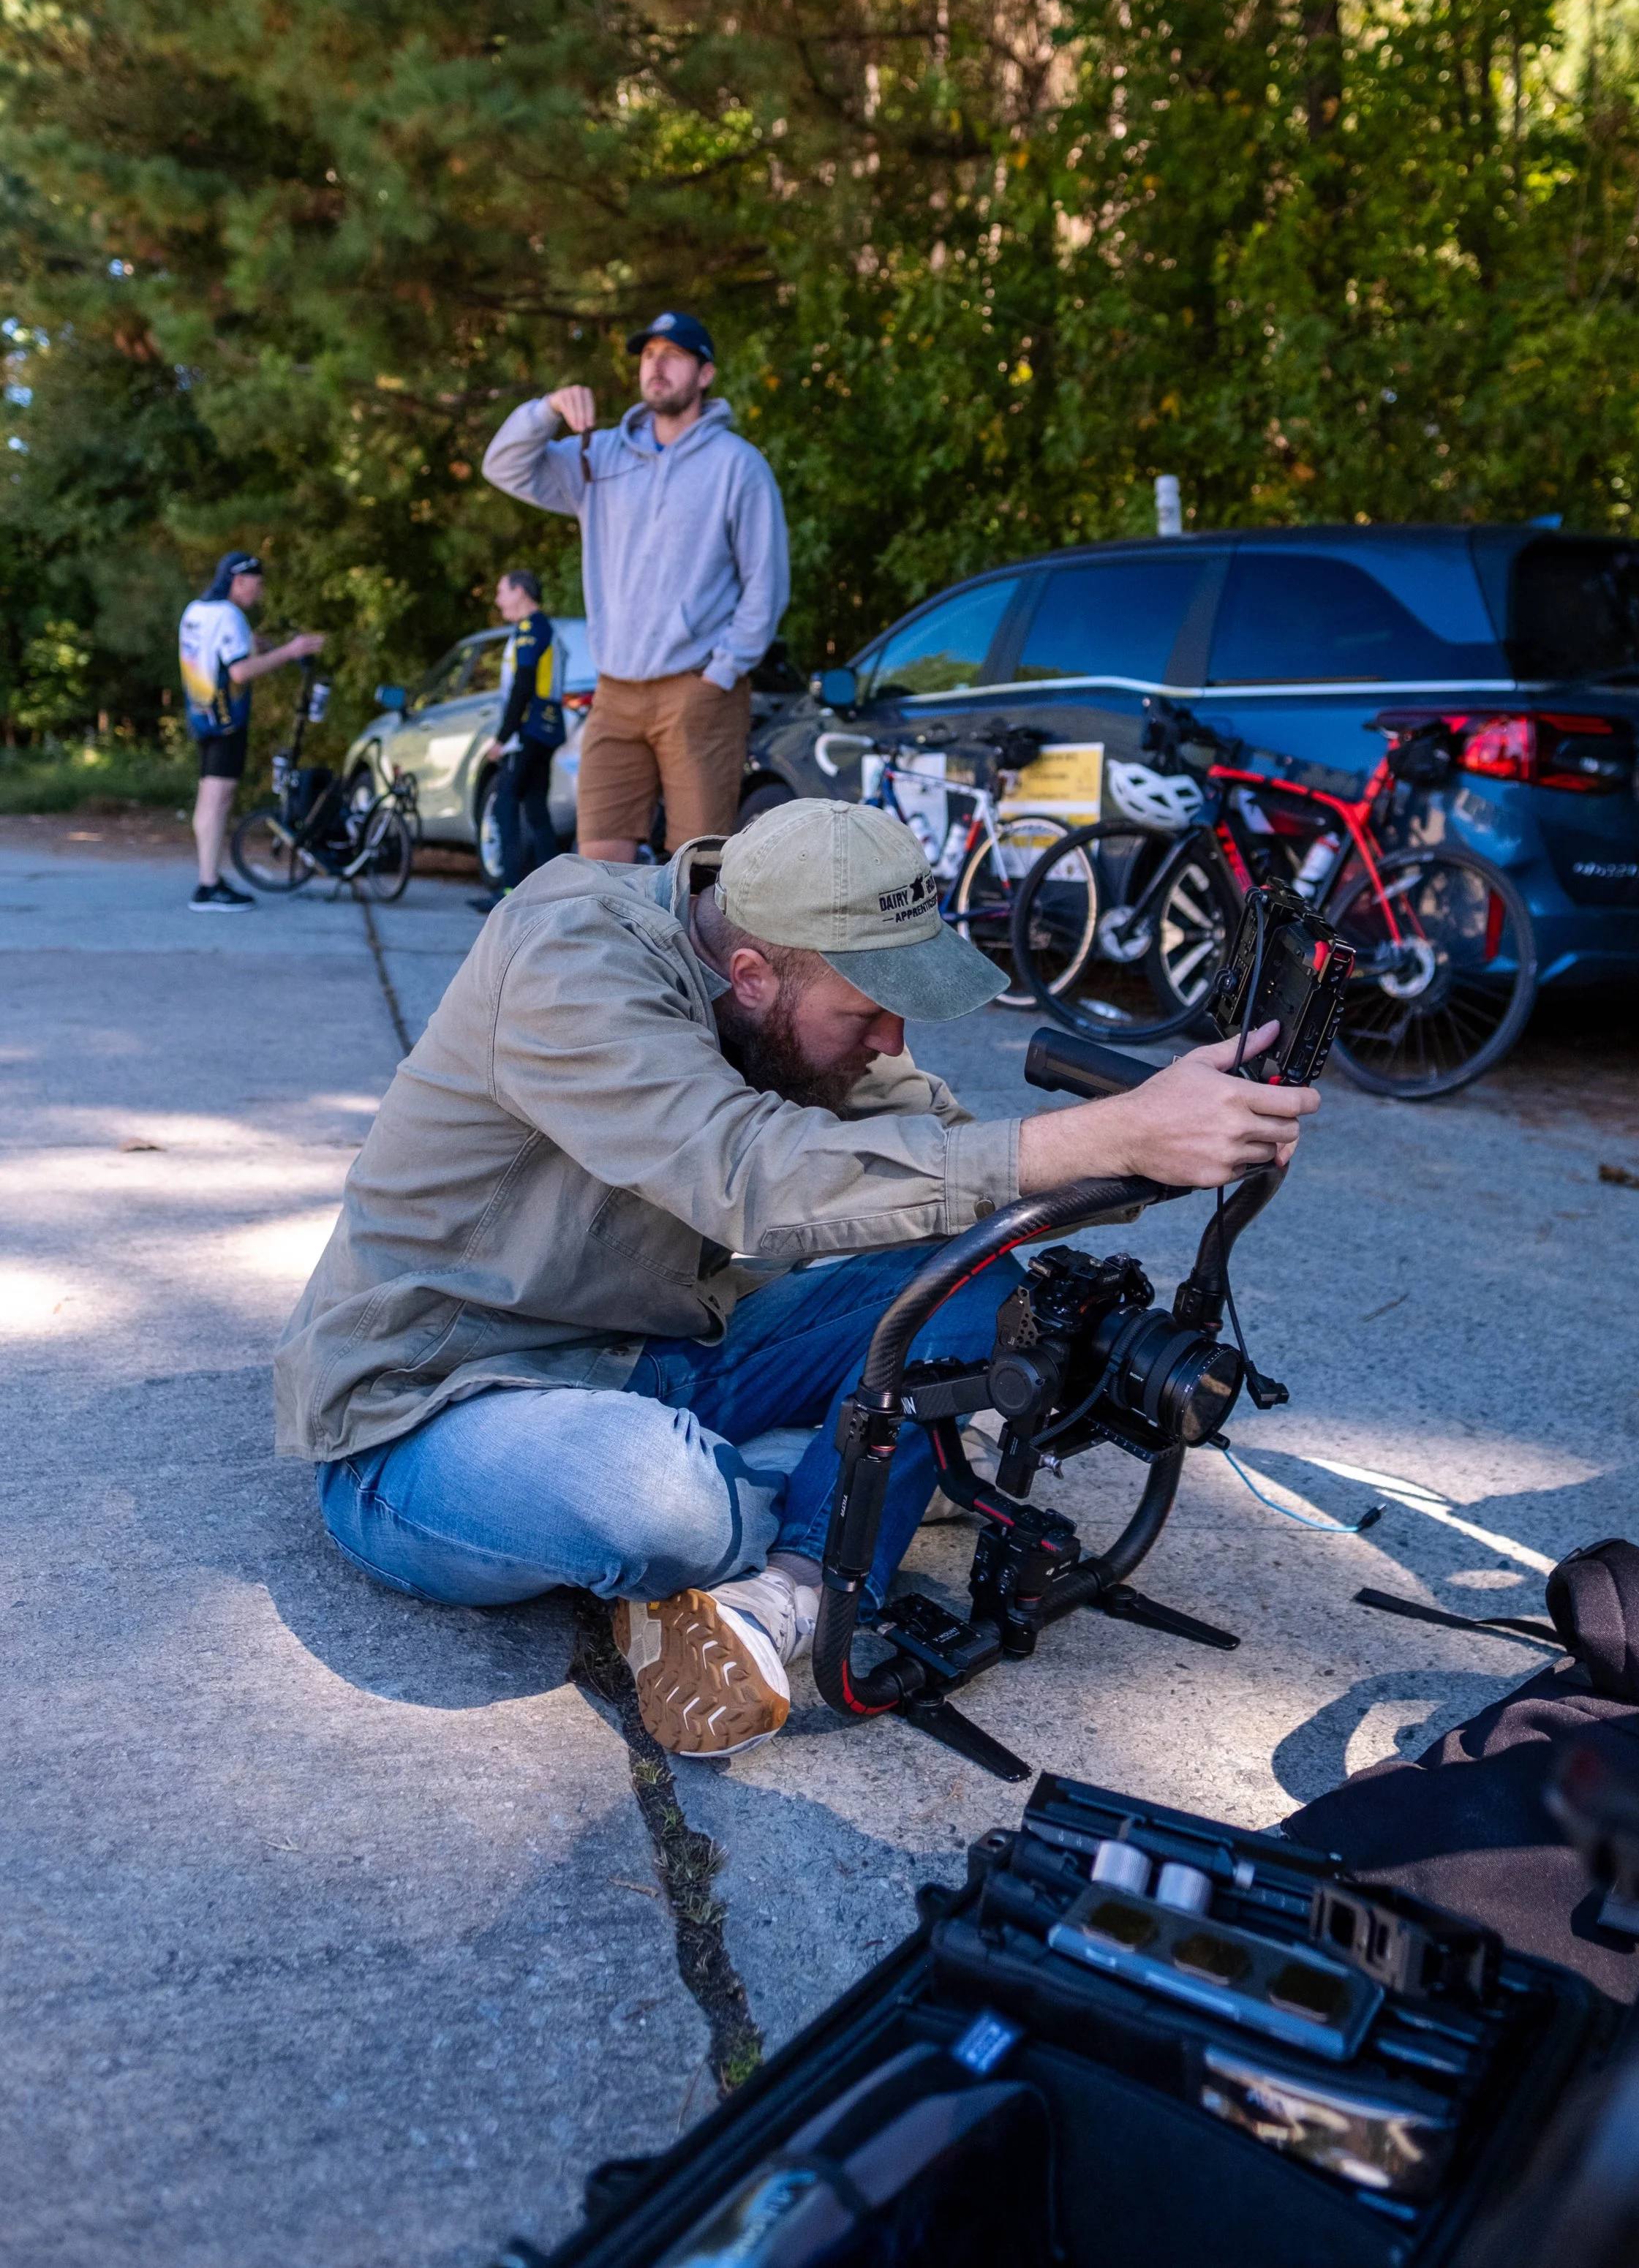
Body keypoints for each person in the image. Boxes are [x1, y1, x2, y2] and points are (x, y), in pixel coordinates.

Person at [274, 799, 1316, 1760]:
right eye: (869, 1009)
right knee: (664, 1499)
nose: (892, 1038)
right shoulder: (570, 955)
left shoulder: (779, 995)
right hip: (432, 1410)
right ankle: (835, 1492)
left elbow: (952, 1150)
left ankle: (787, 1592)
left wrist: (1177, 1137)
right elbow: (747, 1176)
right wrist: (1098, 1134)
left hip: (656, 1361)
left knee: (976, 1279)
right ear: (754, 973)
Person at [481, 309, 788, 864]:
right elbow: (504, 467)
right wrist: (546, 410)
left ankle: (692, 958)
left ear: (705, 373)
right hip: (615, 692)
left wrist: (721, 673)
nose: (657, 366)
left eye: (673, 355)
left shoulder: (738, 466)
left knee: (699, 871)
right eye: (649, 355)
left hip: (697, 691)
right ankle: (624, 957)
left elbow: (766, 585)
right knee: (598, 867)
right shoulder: (598, 457)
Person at [176, 551, 325, 912]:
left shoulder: (196, 611)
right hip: (228, 719)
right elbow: (240, 672)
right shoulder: (230, 616)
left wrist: (255, 642)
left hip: (201, 715)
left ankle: (207, 876)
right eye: (256, 586)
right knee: (218, 799)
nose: (258, 594)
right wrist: (291, 651)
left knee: (207, 798)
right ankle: (208, 885)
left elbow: (214, 650)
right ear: (238, 581)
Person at [471, 568, 565, 915]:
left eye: (501, 592)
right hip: (547, 730)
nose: (498, 600)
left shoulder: (530, 630)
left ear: (521, 592)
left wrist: (503, 737)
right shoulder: (546, 629)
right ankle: (556, 891)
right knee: (537, 810)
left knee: (504, 805)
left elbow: (523, 686)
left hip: (528, 732)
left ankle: (510, 892)